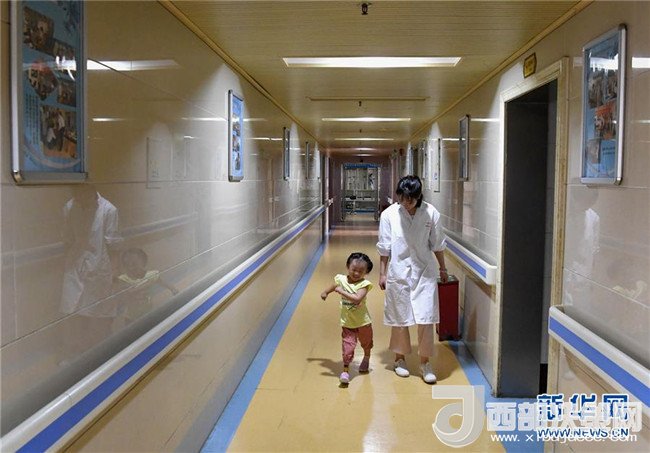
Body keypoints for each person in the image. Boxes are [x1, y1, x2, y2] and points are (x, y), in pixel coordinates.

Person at [377, 175, 448, 384]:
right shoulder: (389, 215)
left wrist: (443, 268)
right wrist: (382, 273)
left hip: (424, 272)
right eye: (402, 198)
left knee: (426, 318)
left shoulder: (431, 213)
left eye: (410, 199)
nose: (405, 203)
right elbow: (384, 246)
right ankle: (399, 359)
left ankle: (425, 363)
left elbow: (437, 244)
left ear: (418, 197)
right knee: (400, 317)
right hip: (399, 272)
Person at [320, 252, 374, 384]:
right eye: (353, 269)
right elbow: (334, 285)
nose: (356, 273)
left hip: (363, 322)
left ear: (366, 272)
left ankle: (366, 357)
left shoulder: (364, 284)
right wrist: (326, 292)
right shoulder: (341, 279)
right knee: (347, 348)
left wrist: (341, 291)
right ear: (347, 267)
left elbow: (357, 299)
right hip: (347, 322)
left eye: (361, 271)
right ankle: (345, 371)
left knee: (366, 343)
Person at [115, 248, 179, 325]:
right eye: (127, 265)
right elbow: (129, 291)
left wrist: (173, 289)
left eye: (134, 264)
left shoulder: (151, 275)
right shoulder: (124, 279)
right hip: (131, 317)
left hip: (148, 312)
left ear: (143, 262)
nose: (130, 267)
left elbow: (164, 283)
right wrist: (148, 283)